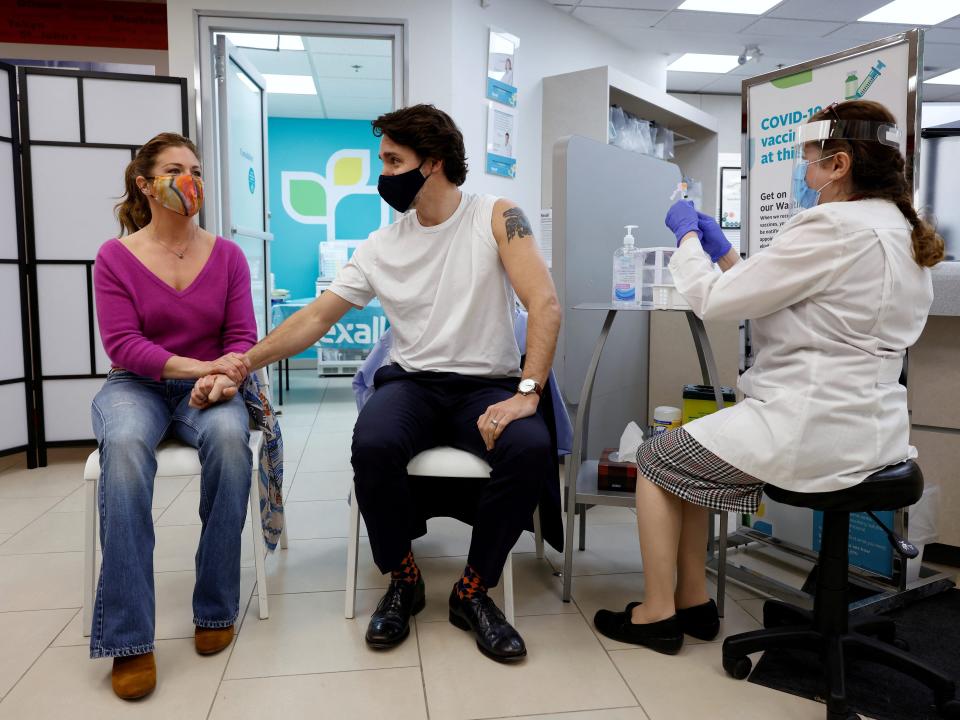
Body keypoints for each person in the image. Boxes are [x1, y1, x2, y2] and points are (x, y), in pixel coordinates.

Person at [192, 104, 562, 663]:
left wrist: (526, 393)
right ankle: (404, 577)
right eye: (381, 160)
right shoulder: (382, 246)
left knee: (530, 449)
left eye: (392, 160)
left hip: (486, 385)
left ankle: (473, 591)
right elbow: (316, 318)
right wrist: (242, 361)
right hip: (412, 382)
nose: (382, 173)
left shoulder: (496, 217)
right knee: (372, 443)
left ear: (433, 163)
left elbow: (544, 304)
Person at [594, 99, 943, 654]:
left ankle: (659, 612)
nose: (803, 172)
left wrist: (686, 237)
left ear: (840, 164)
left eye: (810, 159)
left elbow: (714, 301)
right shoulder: (900, 230)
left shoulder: (832, 225)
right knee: (693, 457)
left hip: (810, 424)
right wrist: (726, 251)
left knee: (661, 459)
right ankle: (693, 602)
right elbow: (793, 297)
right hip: (874, 429)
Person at [91, 132, 257, 698]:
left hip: (207, 386)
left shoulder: (229, 256)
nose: (190, 180)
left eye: (196, 170)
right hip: (135, 386)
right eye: (174, 170)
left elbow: (241, 338)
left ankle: (215, 608)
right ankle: (128, 638)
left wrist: (221, 378)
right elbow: (123, 345)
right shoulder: (116, 257)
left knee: (233, 446)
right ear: (144, 183)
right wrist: (199, 368)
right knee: (126, 452)